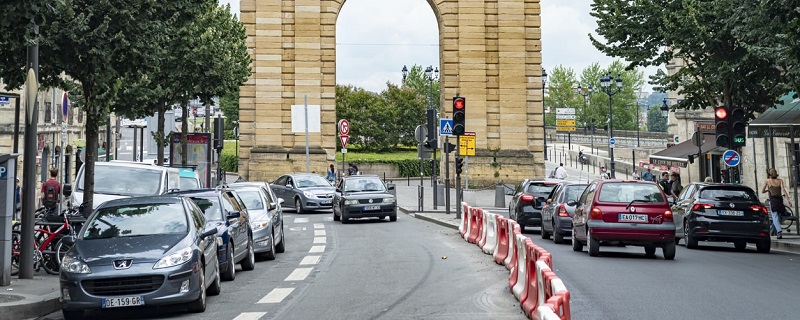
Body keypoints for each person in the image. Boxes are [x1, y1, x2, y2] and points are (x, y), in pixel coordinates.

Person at [762, 168, 792, 239]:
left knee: (775, 217)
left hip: (773, 201)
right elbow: (783, 190)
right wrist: (788, 200)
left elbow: (762, 191)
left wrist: (768, 190)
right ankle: (772, 230)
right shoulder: (780, 180)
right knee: (777, 216)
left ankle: (779, 232)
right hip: (780, 200)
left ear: (769, 174)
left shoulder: (768, 181)